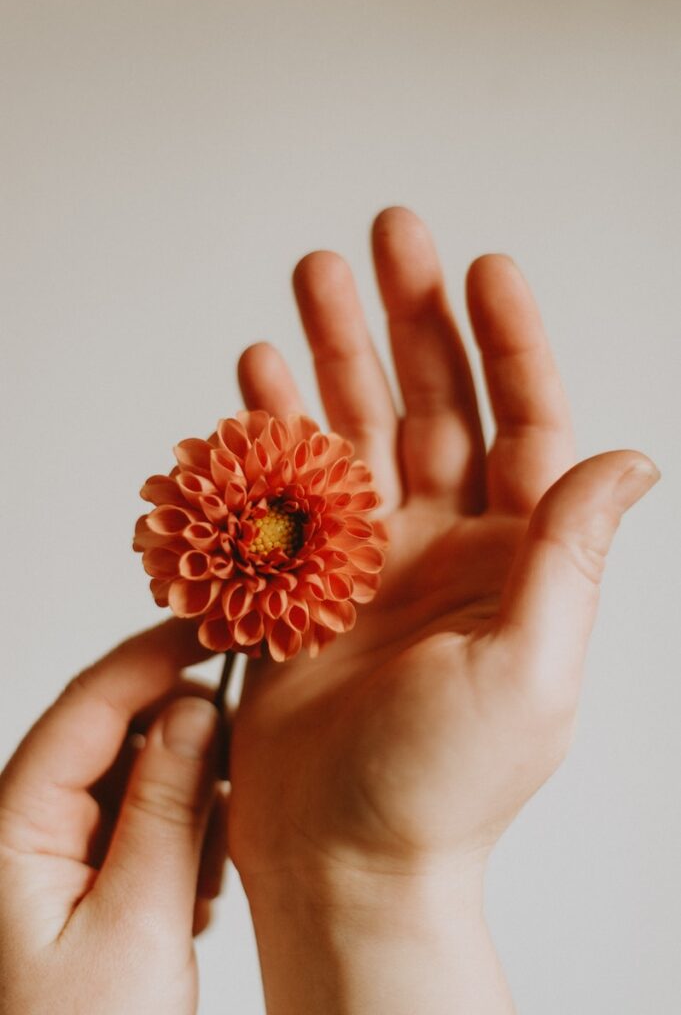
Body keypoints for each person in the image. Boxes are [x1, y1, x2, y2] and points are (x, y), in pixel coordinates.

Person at [0, 207, 659, 1014]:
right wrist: (367, 887)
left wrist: (367, 880)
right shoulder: (214, 539)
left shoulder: (321, 536)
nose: (272, 533)